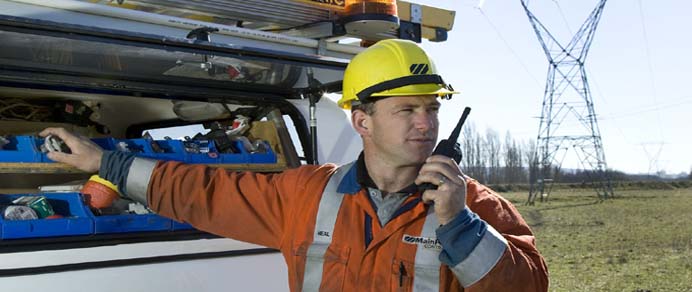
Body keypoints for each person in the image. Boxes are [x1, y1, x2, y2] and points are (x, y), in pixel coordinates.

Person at [41, 39, 548, 291]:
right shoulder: (307, 194)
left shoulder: (478, 208)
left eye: (432, 108)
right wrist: (101, 160)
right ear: (362, 121)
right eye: (407, 110)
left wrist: (461, 226)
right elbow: (201, 190)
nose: (425, 124)